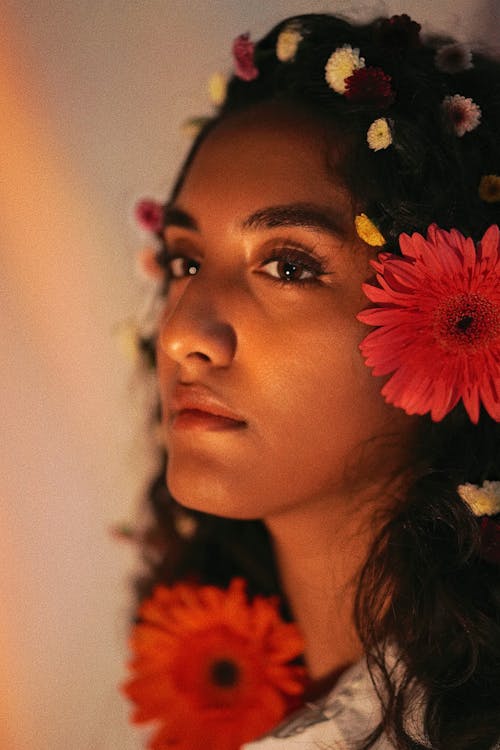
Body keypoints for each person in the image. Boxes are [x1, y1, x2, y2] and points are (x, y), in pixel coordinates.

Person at [123, 12, 500, 750]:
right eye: (185, 262)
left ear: (464, 321)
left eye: (289, 265)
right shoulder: (215, 686)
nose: (180, 334)